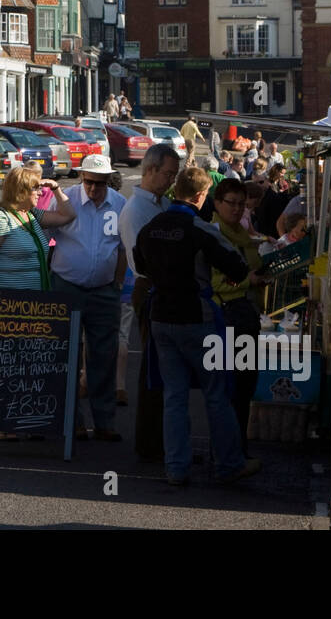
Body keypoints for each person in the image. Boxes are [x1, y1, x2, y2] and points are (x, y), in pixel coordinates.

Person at [134, 167, 262, 486]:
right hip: (197, 317)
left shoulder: (151, 227)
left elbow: (139, 264)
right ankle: (230, 464)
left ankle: (176, 468)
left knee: (174, 395)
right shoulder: (200, 228)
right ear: (202, 196)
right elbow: (236, 266)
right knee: (216, 393)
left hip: (161, 316)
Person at [0, 166, 76, 440]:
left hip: (35, 305)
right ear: (20, 191)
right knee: (9, 365)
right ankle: (4, 423)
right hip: (9, 304)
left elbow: (68, 215)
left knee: (30, 364)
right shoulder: (2, 219)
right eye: (35, 188)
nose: (40, 192)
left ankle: (27, 419)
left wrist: (56, 188)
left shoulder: (32, 216)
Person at [48, 154, 128, 441]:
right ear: (82, 177)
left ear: (108, 180)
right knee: (67, 354)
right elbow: (45, 237)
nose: (94, 188)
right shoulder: (65, 199)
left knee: (103, 358)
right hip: (66, 286)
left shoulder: (119, 204)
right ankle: (73, 420)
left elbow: (122, 248)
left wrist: (117, 283)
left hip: (104, 291)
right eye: (90, 182)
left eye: (100, 183)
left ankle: (105, 421)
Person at [118, 143, 184, 461]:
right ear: (150, 170)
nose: (171, 180)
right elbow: (141, 261)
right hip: (151, 288)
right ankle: (150, 444)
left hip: (165, 288)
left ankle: (161, 441)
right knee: (153, 370)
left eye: (174, 175)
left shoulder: (162, 202)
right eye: (167, 174)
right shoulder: (136, 210)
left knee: (163, 371)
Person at [209, 177, 267, 455]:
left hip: (246, 317)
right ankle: (228, 452)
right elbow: (215, 283)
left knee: (244, 387)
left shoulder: (241, 235)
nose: (236, 209)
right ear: (217, 203)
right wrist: (249, 282)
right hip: (228, 318)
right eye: (230, 203)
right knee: (232, 388)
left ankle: (235, 448)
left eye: (241, 204)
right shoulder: (214, 235)